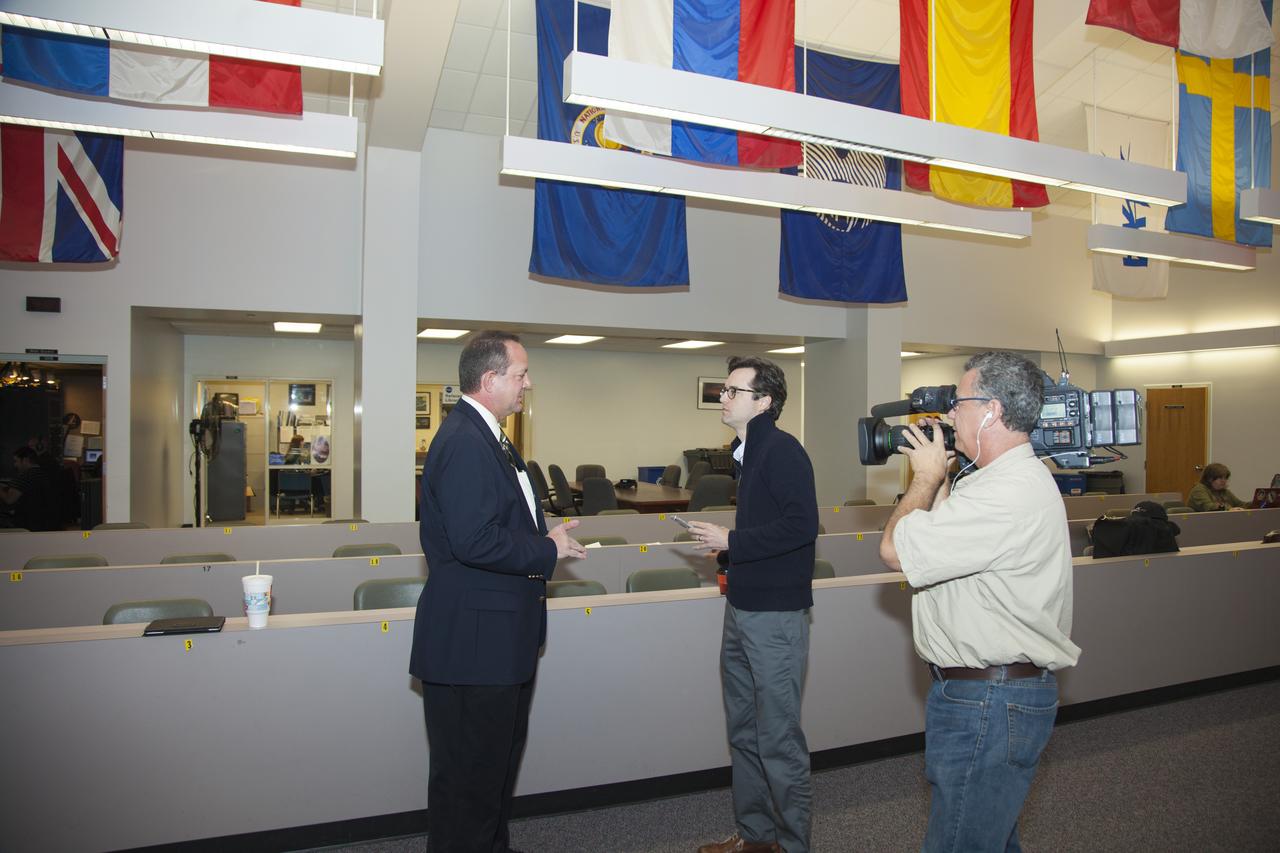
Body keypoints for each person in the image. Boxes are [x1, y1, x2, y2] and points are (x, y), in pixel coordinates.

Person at [879, 351, 1081, 853]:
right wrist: (943, 475)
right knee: (986, 835)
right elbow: (942, 538)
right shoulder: (997, 482)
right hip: (989, 697)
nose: (949, 415)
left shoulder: (1006, 494)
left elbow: (894, 550)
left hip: (989, 704)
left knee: (961, 842)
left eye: (958, 403)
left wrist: (923, 478)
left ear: (990, 410)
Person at [409, 330, 586, 853]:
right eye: (520, 374)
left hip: (494, 641)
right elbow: (474, 541)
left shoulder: (487, 434)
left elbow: (495, 520)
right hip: (474, 646)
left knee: (488, 779)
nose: (527, 383)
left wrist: (543, 536)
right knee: (469, 783)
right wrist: (546, 552)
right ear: (490, 381)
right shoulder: (465, 442)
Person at [688, 356, 819, 853]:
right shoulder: (746, 452)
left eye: (733, 391)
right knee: (743, 731)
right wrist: (730, 547)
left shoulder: (782, 451)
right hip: (742, 607)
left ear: (764, 402)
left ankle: (791, 846)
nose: (723, 397)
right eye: (724, 390)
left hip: (775, 617)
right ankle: (756, 838)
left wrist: (733, 540)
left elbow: (800, 526)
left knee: (778, 740)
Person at [0, 446, 57, 531]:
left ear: (25, 460)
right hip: (46, 523)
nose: (15, 465)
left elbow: (9, 499)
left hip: (26, 525)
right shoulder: (45, 474)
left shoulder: (25, 476)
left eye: (16, 461)